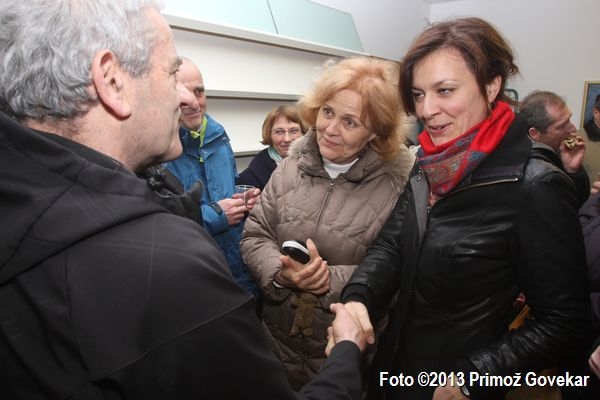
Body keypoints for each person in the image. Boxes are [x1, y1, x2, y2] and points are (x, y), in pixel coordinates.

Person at [0, 1, 369, 399]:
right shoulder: (170, 267)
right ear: (112, 81)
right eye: (172, 71)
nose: (185, 98)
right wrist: (346, 355)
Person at [340, 17, 592, 400]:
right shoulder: (430, 161)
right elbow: (392, 244)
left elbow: (565, 323)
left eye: (445, 90)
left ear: (491, 86)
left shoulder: (535, 185)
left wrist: (476, 377)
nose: (426, 109)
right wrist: (359, 296)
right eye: (418, 94)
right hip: (394, 370)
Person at [240, 56, 415, 390]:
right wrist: (281, 273)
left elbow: (400, 269)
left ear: (375, 132)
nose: (331, 129)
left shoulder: (399, 186)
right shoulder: (289, 166)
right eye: (328, 111)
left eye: (350, 122)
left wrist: (325, 280)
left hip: (345, 356)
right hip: (275, 346)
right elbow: (255, 235)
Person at [165, 58, 260, 297]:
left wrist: (243, 199)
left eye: (199, 91)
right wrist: (217, 215)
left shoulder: (218, 137)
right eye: (184, 94)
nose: (195, 103)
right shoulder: (159, 152)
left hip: (239, 270)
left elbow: (229, 184)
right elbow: (162, 227)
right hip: (198, 279)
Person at [518, 90, 590, 206]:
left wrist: (573, 171)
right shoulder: (534, 173)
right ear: (534, 133)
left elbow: (579, 204)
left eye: (569, 120)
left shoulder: (558, 154)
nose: (573, 129)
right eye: (562, 126)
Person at [238, 105, 307, 191]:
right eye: (279, 132)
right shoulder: (249, 178)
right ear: (269, 134)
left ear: (304, 132)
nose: (287, 139)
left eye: (293, 131)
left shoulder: (317, 164)